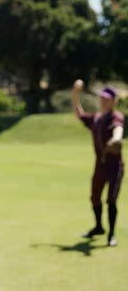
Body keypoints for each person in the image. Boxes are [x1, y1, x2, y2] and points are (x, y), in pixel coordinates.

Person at [72, 80, 124, 247]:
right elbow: (79, 114)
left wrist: (116, 139)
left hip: (115, 166)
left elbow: (118, 129)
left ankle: (111, 235)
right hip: (100, 165)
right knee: (95, 197)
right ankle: (99, 227)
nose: (103, 101)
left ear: (114, 101)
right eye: (102, 98)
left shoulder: (115, 116)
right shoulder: (96, 118)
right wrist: (74, 93)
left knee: (111, 200)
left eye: (107, 98)